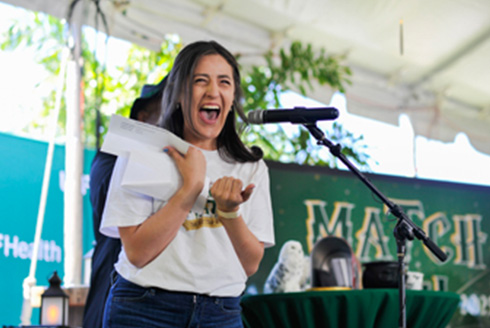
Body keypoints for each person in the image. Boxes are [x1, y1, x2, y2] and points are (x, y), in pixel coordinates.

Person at [100, 40, 275, 328]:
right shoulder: (143, 151)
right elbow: (137, 253)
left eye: (224, 82)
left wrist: (229, 213)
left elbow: (250, 264)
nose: (213, 91)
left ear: (232, 98)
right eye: (200, 81)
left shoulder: (250, 166)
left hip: (221, 313)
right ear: (180, 94)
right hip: (144, 309)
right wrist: (189, 189)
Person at [82, 75, 167, 328]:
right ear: (142, 117)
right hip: (116, 298)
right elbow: (111, 199)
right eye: (170, 109)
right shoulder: (112, 155)